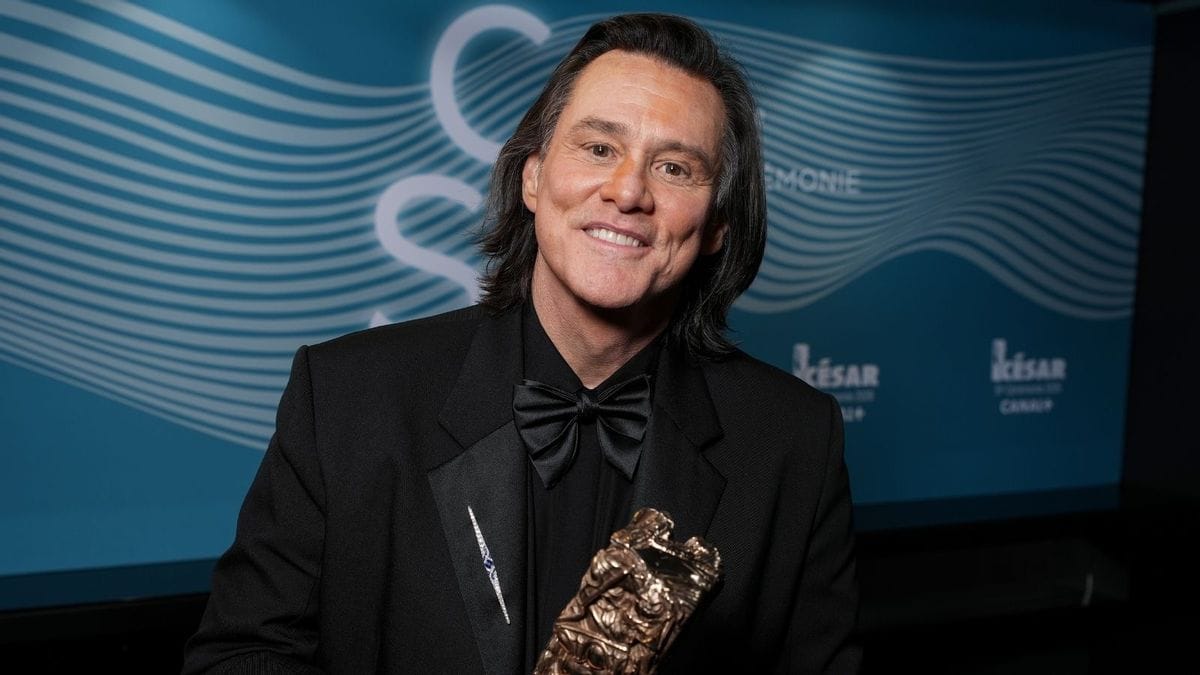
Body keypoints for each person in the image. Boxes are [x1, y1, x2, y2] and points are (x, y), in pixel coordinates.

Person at [183, 13, 859, 674]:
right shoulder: (345, 398)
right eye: (598, 147)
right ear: (533, 176)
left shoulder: (793, 440)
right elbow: (239, 655)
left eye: (676, 168)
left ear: (716, 226)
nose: (627, 190)